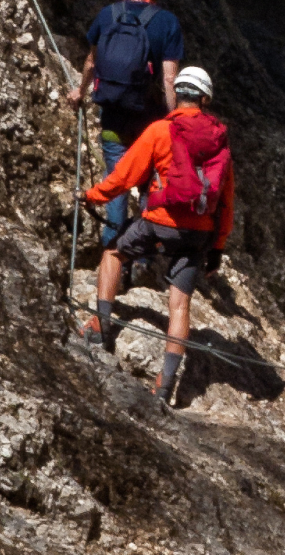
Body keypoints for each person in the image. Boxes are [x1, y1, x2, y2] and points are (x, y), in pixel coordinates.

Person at [81, 66, 234, 402]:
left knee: (114, 252)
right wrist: (217, 246)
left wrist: (92, 196)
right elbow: (226, 198)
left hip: (160, 219)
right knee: (180, 305)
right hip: (199, 231)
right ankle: (164, 385)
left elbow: (124, 176)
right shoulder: (219, 139)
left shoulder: (161, 130)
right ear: (205, 99)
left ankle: (101, 326)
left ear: (177, 94)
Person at [68, 0, 184, 250]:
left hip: (113, 117)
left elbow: (92, 62)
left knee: (116, 184)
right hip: (150, 124)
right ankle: (142, 256)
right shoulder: (167, 24)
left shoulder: (108, 14)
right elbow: (169, 80)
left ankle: (112, 255)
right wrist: (175, 120)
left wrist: (79, 92)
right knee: (149, 188)